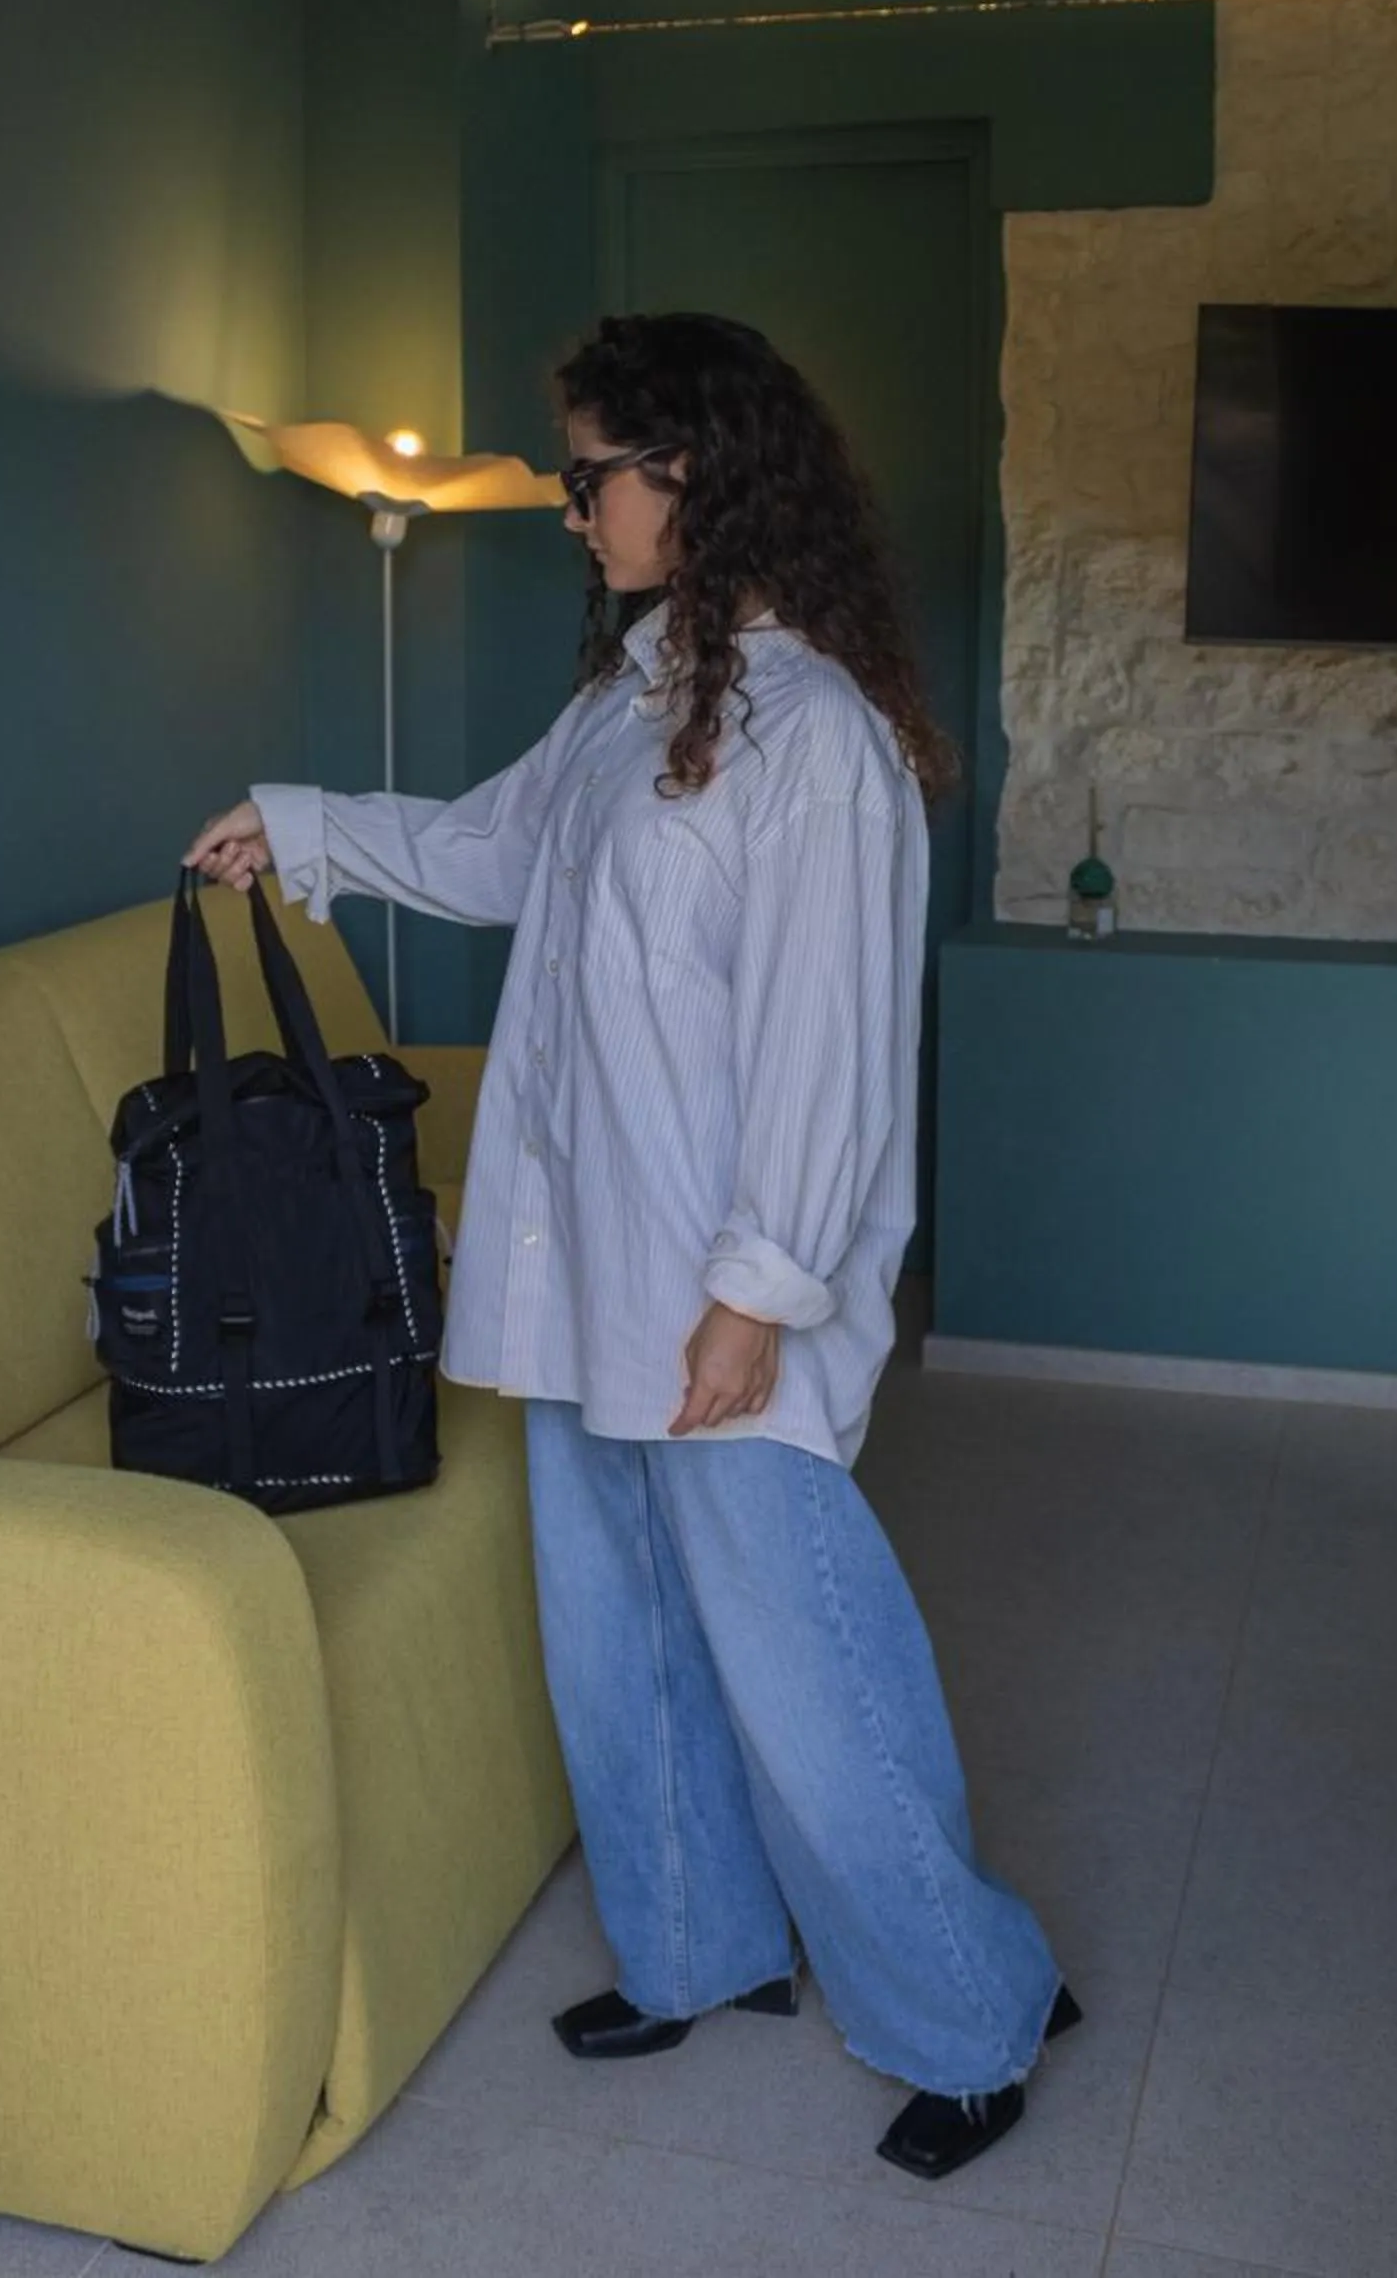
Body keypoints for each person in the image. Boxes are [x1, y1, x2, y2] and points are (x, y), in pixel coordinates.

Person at [186, 310, 1074, 2182]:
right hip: (585, 1263)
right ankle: (696, 1948)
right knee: (619, 1629)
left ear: (701, 471)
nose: (569, 509)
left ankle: (975, 2005)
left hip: (714, 1289)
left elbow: (828, 1048)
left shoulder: (814, 734)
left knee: (804, 1658)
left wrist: (757, 1295)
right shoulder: (633, 697)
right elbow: (502, 854)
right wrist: (306, 823)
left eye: (591, 475)